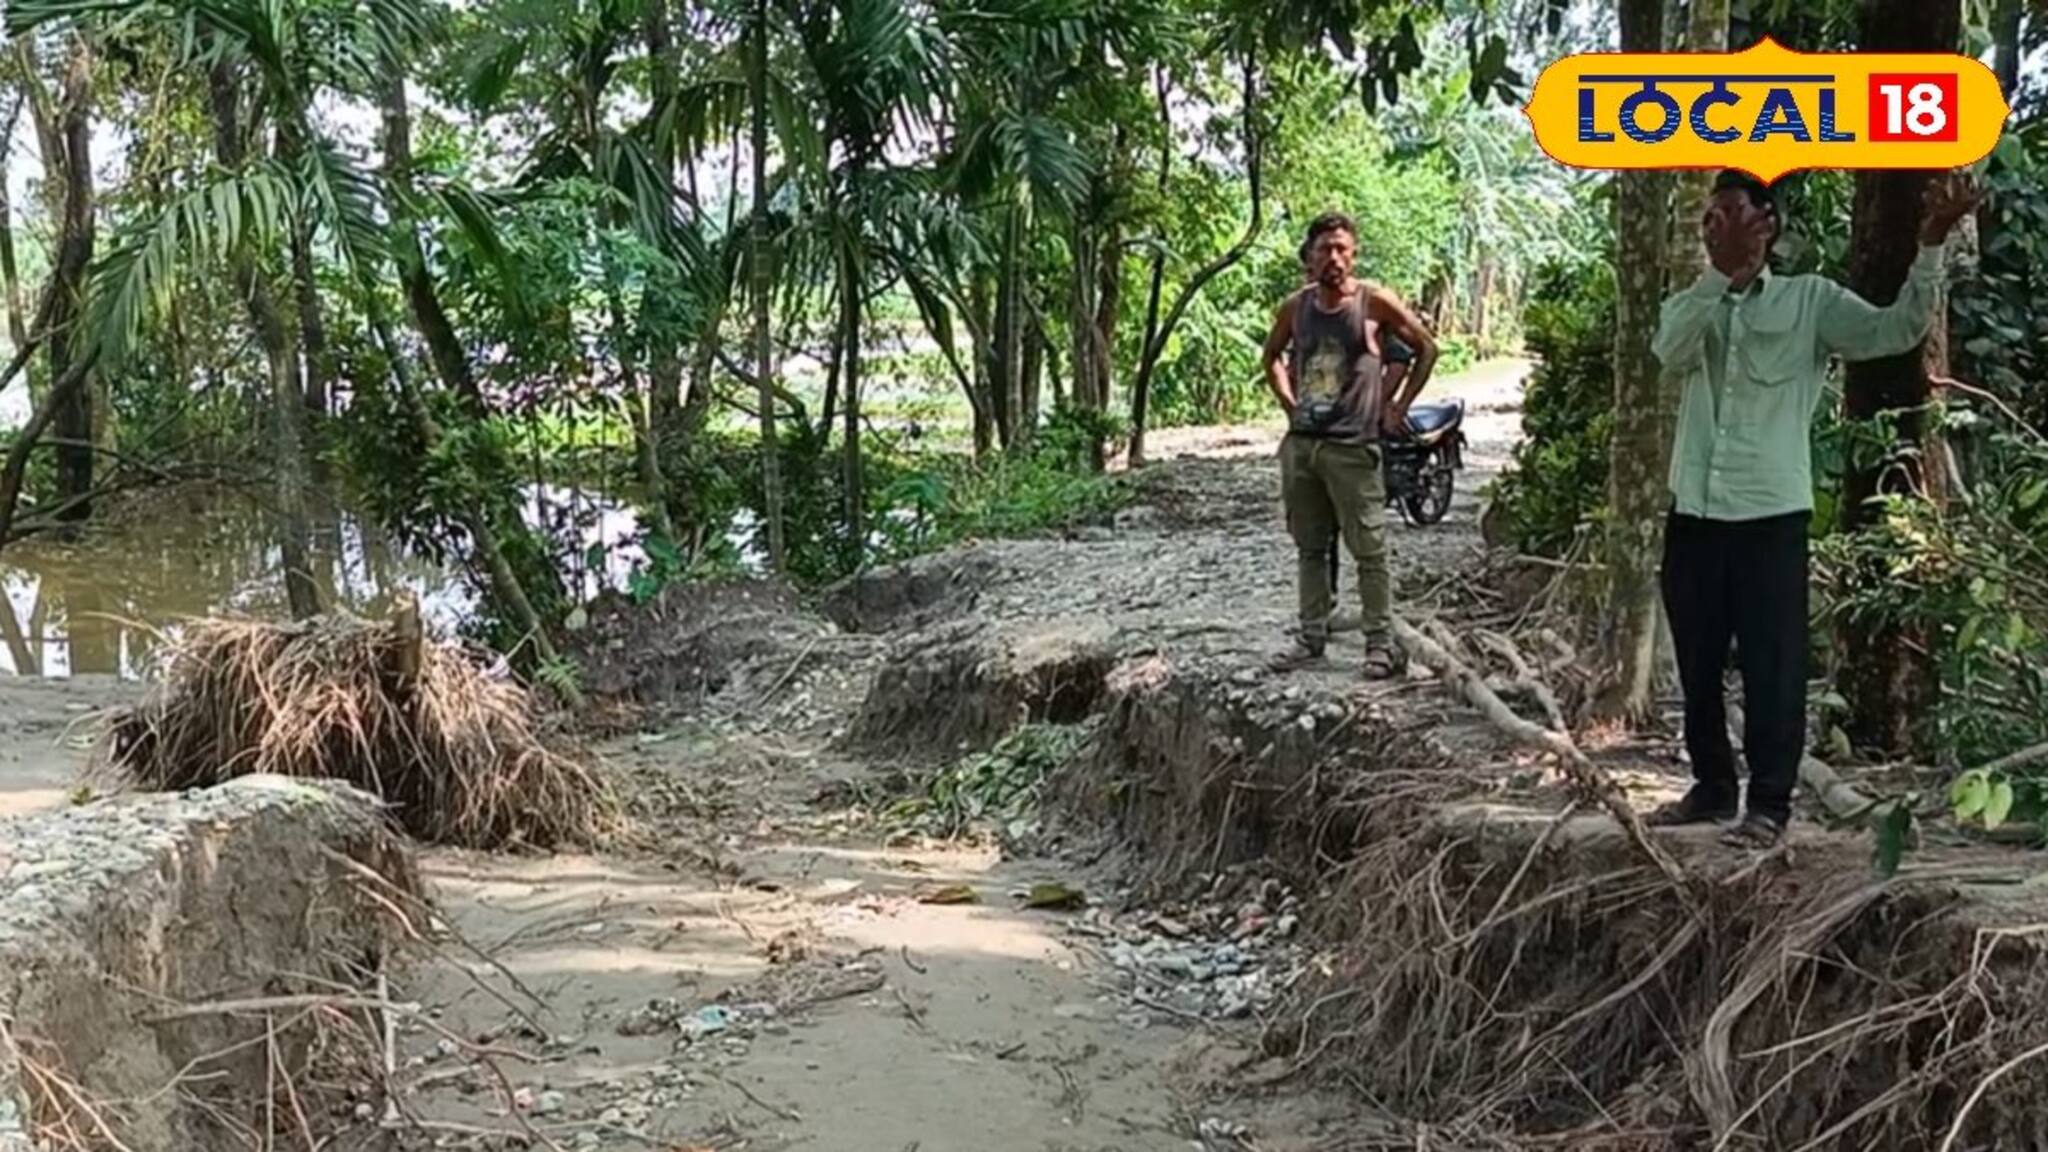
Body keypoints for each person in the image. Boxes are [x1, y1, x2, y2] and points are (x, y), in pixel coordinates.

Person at [1648, 169, 1978, 849]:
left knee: (1774, 664)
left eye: (1728, 213)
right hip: (1696, 517)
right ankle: (1712, 787)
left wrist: (1932, 244)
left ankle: (1769, 803)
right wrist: (1720, 280)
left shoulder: (1810, 303)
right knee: (1698, 661)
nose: (1713, 225)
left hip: (1770, 516)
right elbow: (1667, 352)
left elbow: (1897, 329)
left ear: (1765, 224)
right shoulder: (1694, 304)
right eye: (1708, 216)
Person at [1262, 212, 1439, 677]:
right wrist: (1288, 402)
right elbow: (1271, 357)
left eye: (1342, 248)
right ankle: (1310, 636)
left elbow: (1425, 348)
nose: (1334, 258)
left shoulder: (1373, 303)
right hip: (1303, 446)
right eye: (1325, 249)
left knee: (1370, 549)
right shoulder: (1295, 308)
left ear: (1353, 254)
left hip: (1352, 447)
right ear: (1310, 256)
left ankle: (1379, 644)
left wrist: (1397, 406)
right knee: (1311, 546)